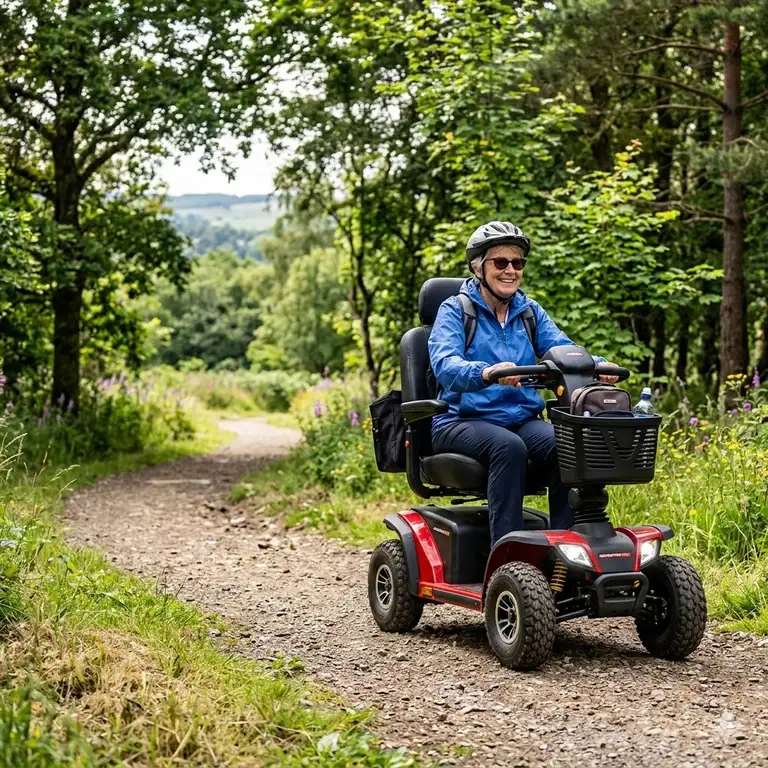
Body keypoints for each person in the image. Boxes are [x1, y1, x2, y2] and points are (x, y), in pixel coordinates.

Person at [427, 221, 618, 545]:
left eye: (517, 263)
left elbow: (563, 349)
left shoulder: (529, 312)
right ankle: (506, 555)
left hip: (519, 418)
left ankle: (567, 553)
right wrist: (487, 372)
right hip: (461, 419)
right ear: (478, 267)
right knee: (508, 447)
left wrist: (597, 365)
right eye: (500, 262)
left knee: (567, 445)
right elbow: (446, 365)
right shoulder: (456, 310)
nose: (510, 270)